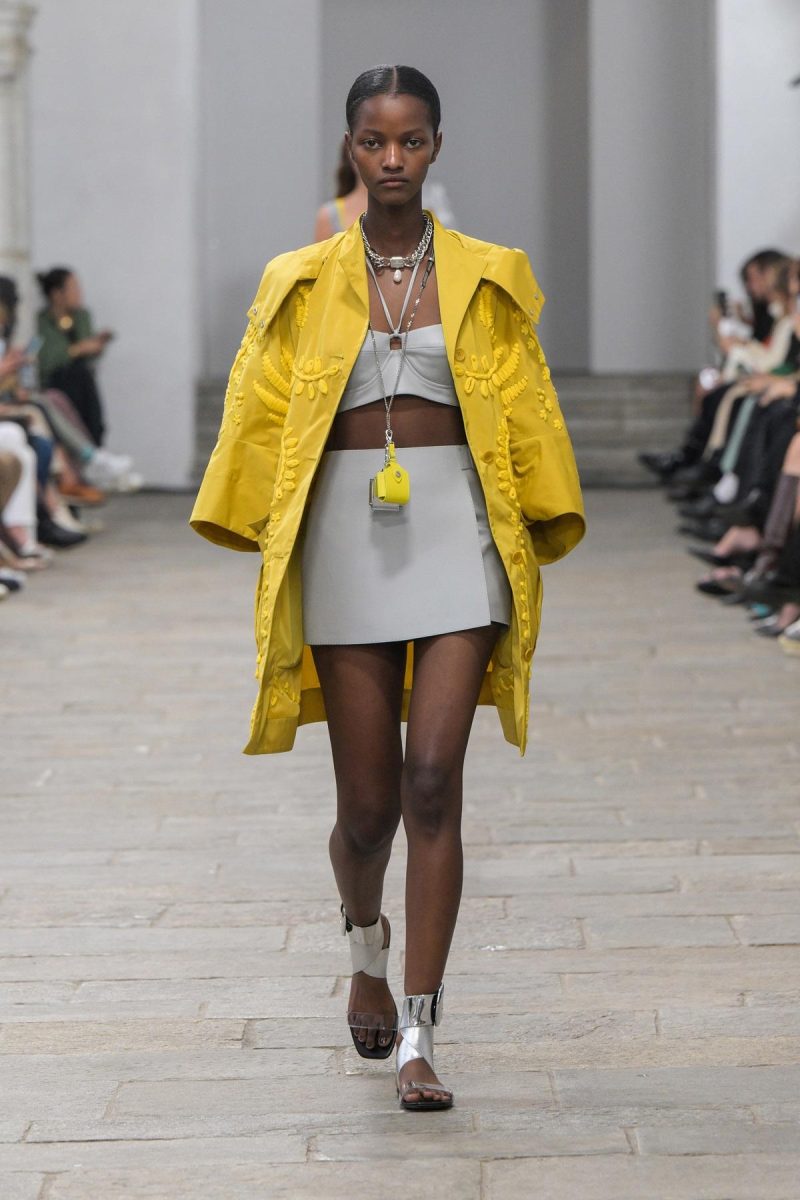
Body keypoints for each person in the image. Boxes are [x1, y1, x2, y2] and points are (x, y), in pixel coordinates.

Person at [191, 65, 584, 1112]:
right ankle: (364, 946)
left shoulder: (490, 274)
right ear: (351, 148)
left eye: (411, 140)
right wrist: (247, 514)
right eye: (375, 141)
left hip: (459, 529)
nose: (393, 159)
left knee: (431, 782)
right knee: (366, 811)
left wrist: (544, 514)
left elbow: (529, 404)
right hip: (343, 537)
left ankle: (418, 1030)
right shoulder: (298, 280)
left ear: (437, 146)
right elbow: (259, 407)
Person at [314, 135, 455, 241]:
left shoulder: (433, 201)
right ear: (350, 148)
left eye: (411, 143)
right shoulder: (330, 215)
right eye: (371, 143)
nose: (391, 161)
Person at [35, 267, 113, 446]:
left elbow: (89, 354)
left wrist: (97, 346)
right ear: (57, 294)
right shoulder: (41, 323)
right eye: (74, 288)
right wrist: (78, 349)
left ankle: (95, 447)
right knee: (76, 376)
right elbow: (46, 361)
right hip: (57, 385)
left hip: (83, 385)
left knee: (82, 376)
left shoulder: (82, 317)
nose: (79, 293)